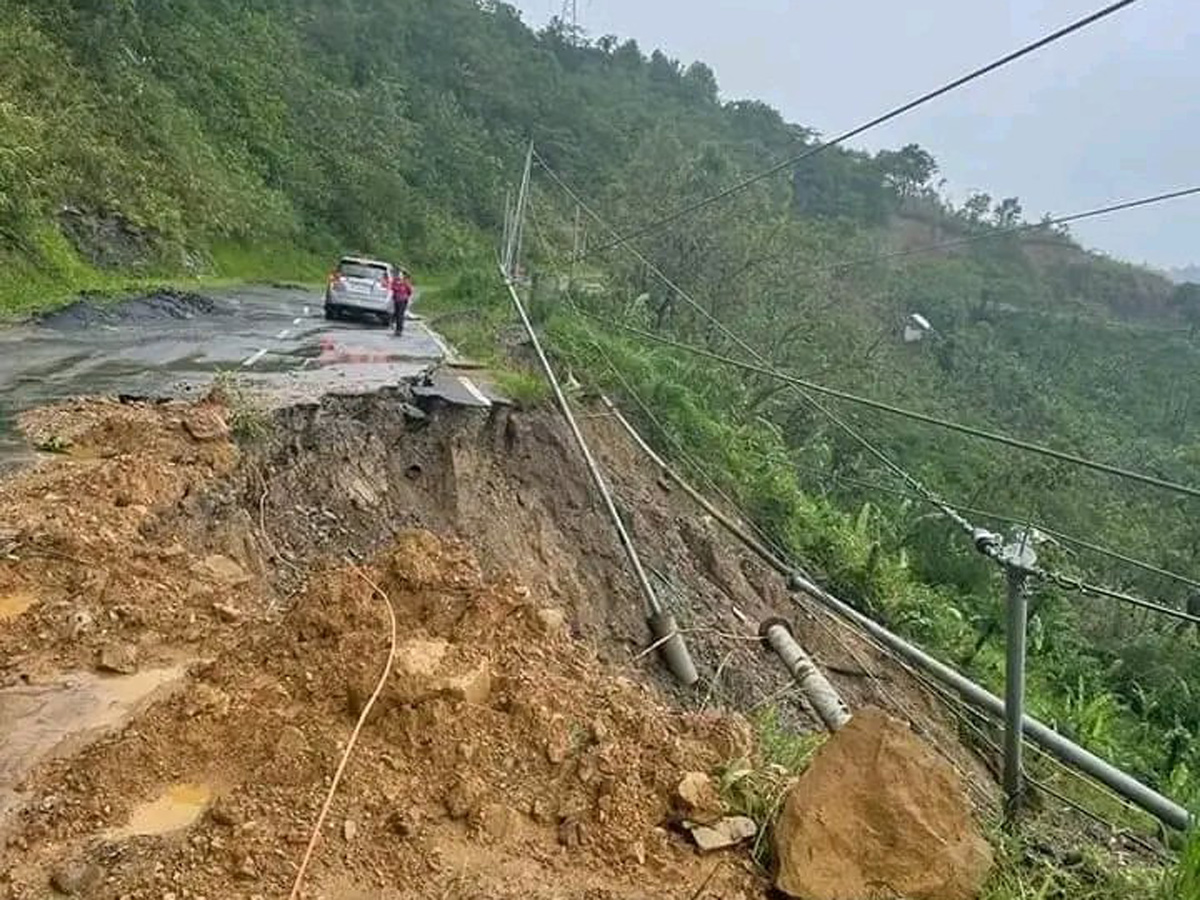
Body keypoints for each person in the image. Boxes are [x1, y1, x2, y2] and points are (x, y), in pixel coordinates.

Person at [391, 269, 413, 336]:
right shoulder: (395, 281)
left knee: (400, 315)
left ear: (403, 276)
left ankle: (399, 330)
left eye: (401, 274)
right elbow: (392, 288)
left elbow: (410, 291)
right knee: (397, 314)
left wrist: (405, 295)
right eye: (399, 274)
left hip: (403, 300)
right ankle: (397, 329)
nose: (399, 276)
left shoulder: (406, 282)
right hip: (397, 300)